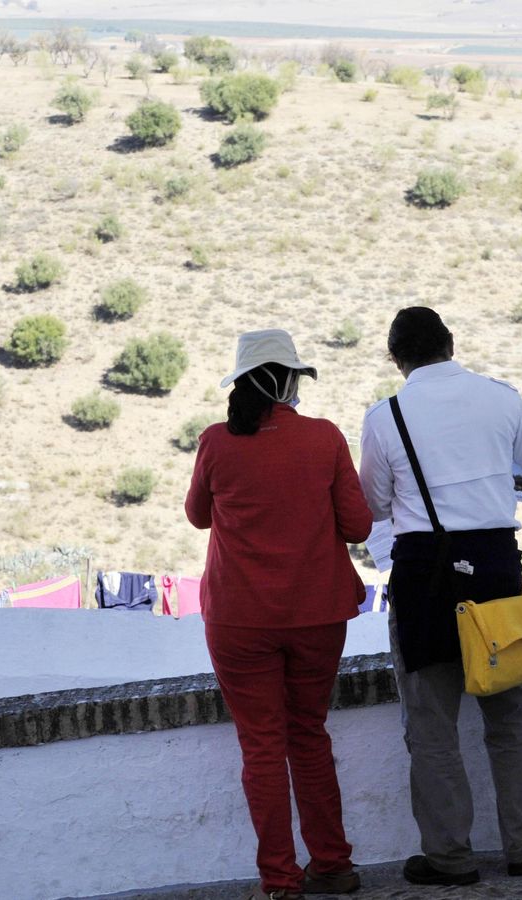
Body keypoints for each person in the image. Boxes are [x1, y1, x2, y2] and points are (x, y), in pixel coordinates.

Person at [358, 307, 522, 885]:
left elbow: (372, 509)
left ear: (395, 358)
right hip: (496, 575)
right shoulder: (501, 399)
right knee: (510, 715)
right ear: (452, 343)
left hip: (424, 576)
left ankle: (449, 858)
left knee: (431, 726)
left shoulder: (386, 418)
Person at [185, 328, 373, 900]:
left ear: (241, 383)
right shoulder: (324, 439)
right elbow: (360, 527)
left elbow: (197, 516)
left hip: (239, 619)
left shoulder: (217, 442)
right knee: (308, 734)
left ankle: (280, 883)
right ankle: (334, 865)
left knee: (262, 745)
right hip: (317, 613)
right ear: (291, 381)